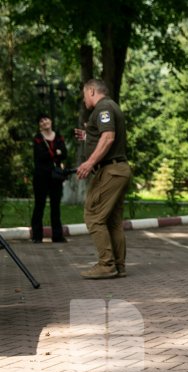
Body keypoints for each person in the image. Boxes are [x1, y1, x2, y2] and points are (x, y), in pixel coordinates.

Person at [74, 79, 132, 279]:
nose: (83, 99)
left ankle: (106, 264)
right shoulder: (110, 106)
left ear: (91, 91)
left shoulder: (103, 107)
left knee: (93, 215)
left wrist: (89, 163)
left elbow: (108, 137)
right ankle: (118, 265)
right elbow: (103, 136)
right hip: (119, 169)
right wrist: (88, 136)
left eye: (84, 94)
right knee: (113, 220)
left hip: (111, 170)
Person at [31, 114, 68, 243]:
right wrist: (56, 152)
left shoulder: (58, 137)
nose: (44, 122)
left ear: (51, 121)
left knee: (55, 206)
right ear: (39, 125)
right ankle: (37, 236)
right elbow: (40, 155)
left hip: (55, 177)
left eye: (46, 119)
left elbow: (64, 153)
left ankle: (57, 236)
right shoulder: (38, 138)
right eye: (41, 121)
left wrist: (56, 153)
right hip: (41, 177)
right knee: (39, 205)